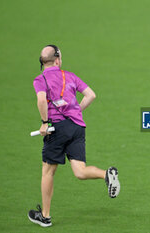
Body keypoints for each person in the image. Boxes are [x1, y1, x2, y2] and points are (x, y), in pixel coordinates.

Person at [28, 45, 120, 227]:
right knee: (80, 171)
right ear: (57, 60)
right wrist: (77, 111)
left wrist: (45, 122)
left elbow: (41, 100)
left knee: (48, 171)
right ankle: (106, 175)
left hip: (57, 129)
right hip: (77, 127)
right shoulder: (69, 76)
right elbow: (91, 95)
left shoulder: (40, 79)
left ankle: (45, 216)